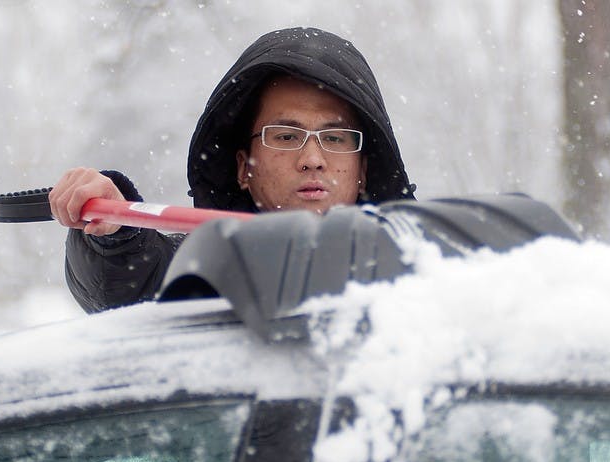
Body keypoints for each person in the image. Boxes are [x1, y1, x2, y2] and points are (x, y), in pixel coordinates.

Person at [49, 27, 415, 313]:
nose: (313, 159)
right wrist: (114, 238)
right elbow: (126, 283)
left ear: (363, 168)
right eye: (286, 136)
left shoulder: (424, 271)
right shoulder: (201, 272)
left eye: (335, 138)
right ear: (243, 168)